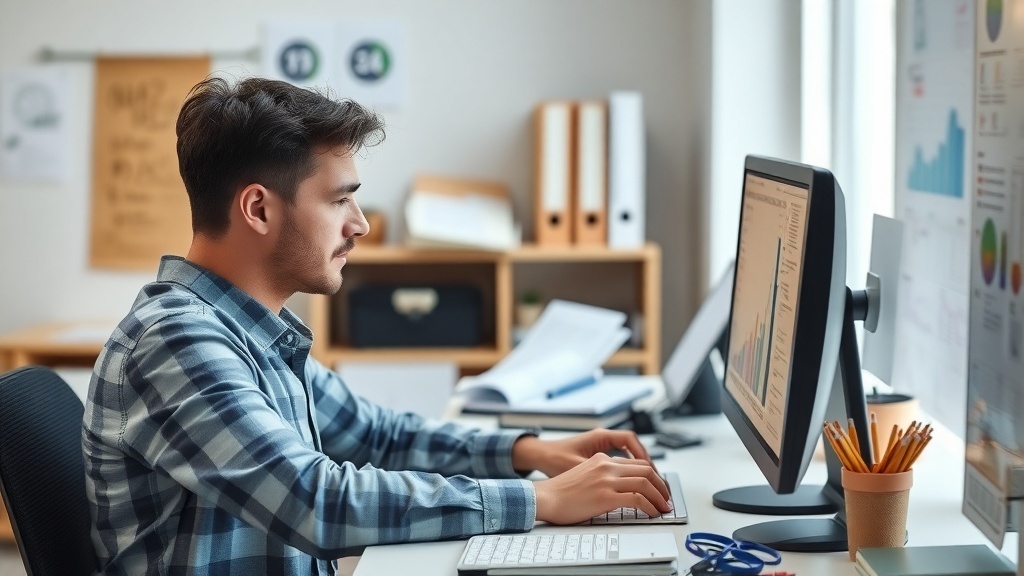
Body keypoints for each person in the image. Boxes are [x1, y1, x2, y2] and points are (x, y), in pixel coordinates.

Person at [83, 76, 672, 576]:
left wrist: (531, 451)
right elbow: (315, 502)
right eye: (340, 201)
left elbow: (375, 437)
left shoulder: (252, 331)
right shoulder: (176, 342)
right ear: (259, 209)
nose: (360, 225)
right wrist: (538, 498)